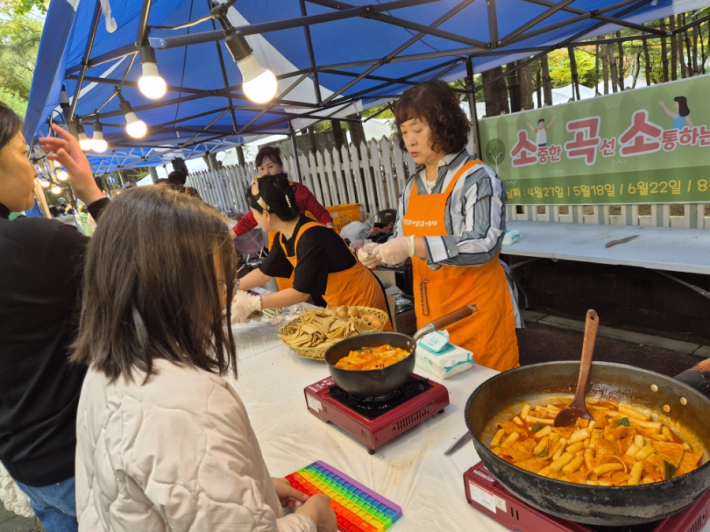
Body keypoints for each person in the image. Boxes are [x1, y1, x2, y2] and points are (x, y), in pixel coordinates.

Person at [71, 186, 336, 532]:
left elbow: (177, 494)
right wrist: (312, 520)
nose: (222, 299)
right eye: (221, 284)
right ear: (173, 287)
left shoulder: (102, 368)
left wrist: (252, 487)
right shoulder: (188, 407)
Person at [357, 80, 519, 372]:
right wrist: (380, 252)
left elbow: (485, 243)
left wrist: (413, 245)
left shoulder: (478, 178)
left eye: (418, 130)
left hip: (475, 311)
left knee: (483, 393)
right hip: (431, 314)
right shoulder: (412, 186)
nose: (410, 140)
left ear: (444, 125)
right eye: (404, 132)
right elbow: (401, 238)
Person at [0, 103, 108, 531]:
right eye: (23, 153)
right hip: (82, 457)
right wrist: (92, 193)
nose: (32, 169)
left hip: (24, 463)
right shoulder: (35, 243)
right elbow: (146, 273)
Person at [231, 173, 391, 328]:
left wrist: (254, 303)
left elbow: (301, 293)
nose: (251, 216)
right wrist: (233, 287)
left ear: (266, 215)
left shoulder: (310, 238)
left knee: (376, 351)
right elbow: (265, 271)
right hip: (341, 303)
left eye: (253, 211)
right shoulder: (285, 236)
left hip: (362, 300)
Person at [232, 147, 333, 292]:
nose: (266, 172)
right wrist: (225, 238)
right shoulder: (261, 196)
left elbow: (320, 213)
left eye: (270, 166)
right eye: (261, 168)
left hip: (302, 245)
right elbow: (249, 220)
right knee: (289, 294)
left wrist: (329, 230)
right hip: (279, 249)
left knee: (306, 290)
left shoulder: (298, 190)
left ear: (280, 167)